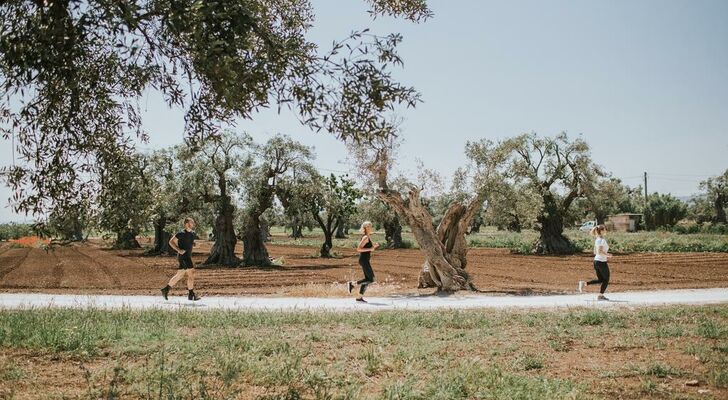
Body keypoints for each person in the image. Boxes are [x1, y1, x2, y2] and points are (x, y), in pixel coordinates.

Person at [161, 217, 201, 301]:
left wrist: (194, 244)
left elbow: (189, 242)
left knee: (179, 275)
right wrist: (179, 250)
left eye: (193, 223)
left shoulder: (192, 234)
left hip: (188, 256)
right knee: (191, 273)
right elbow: (171, 242)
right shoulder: (181, 233)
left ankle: (165, 289)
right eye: (191, 223)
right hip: (183, 257)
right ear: (186, 224)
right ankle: (191, 294)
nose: (193, 224)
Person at [347, 221, 379, 302]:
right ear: (364, 228)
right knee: (371, 279)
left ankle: (359, 297)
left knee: (367, 279)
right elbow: (358, 249)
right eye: (367, 226)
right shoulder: (365, 237)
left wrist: (374, 247)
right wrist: (371, 248)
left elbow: (368, 249)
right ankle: (352, 284)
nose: (369, 227)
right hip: (364, 260)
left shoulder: (367, 236)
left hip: (365, 260)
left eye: (370, 226)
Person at [578, 224, 612, 300]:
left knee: (601, 280)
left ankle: (584, 283)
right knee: (606, 279)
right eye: (605, 229)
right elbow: (599, 251)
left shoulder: (597, 239)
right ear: (602, 231)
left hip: (596, 261)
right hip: (601, 262)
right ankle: (600, 296)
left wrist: (604, 254)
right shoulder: (601, 240)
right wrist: (607, 255)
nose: (606, 230)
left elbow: (595, 252)